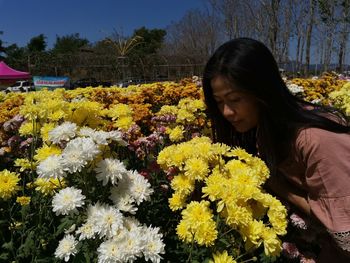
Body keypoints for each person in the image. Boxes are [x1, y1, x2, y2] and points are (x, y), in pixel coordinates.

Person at [202, 38, 350, 262]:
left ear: (263, 92)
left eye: (234, 99)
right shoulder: (265, 128)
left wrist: (276, 184)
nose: (226, 112)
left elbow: (345, 236)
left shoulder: (317, 140)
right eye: (218, 102)